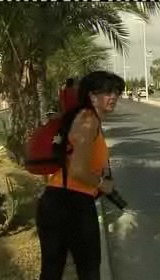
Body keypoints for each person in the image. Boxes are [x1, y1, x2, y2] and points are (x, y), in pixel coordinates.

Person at [36, 71, 125, 280]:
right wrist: (103, 185)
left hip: (54, 201)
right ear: (91, 96)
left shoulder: (80, 117)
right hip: (73, 205)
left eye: (116, 92)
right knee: (89, 271)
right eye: (106, 92)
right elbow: (78, 169)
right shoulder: (88, 120)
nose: (113, 96)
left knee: (51, 271)